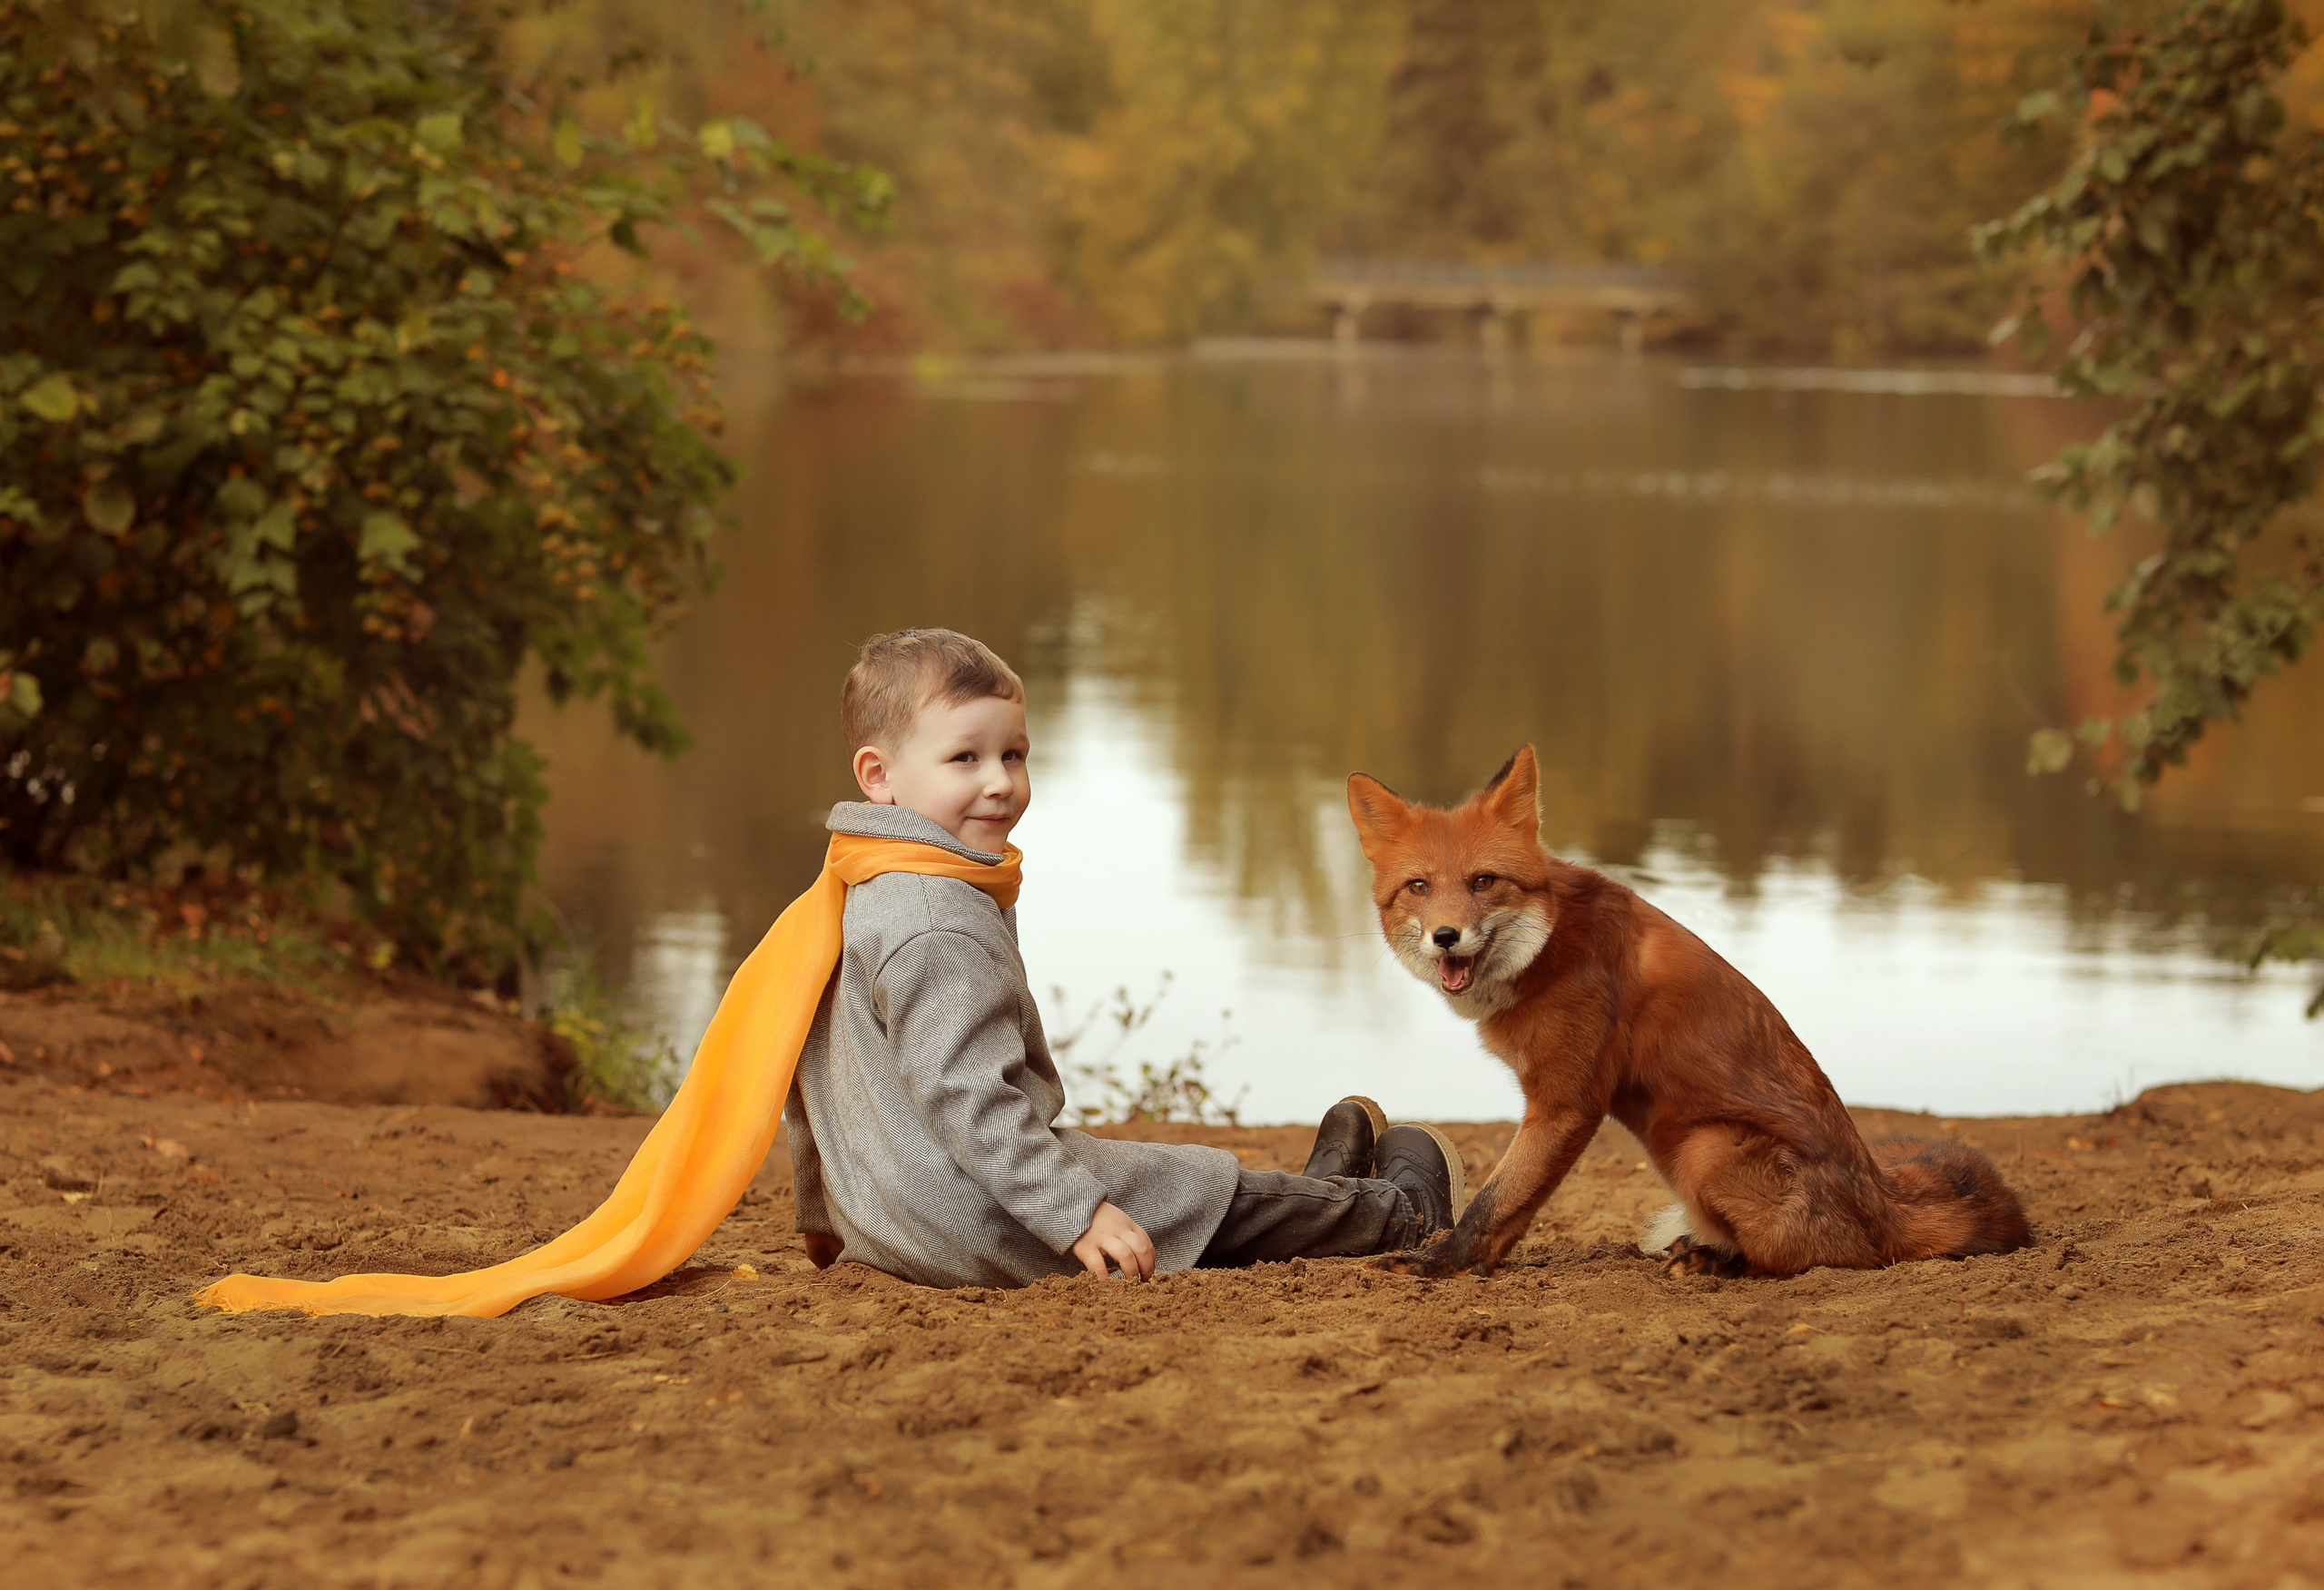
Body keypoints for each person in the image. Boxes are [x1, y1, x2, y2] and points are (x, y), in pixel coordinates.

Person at [784, 627, 1465, 1288]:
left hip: (890, 1215)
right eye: (966, 759)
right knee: (1180, 1185)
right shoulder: (935, 924)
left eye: (1014, 755)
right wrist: (1077, 1215)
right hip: (974, 1224)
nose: (1000, 782)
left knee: (1163, 1182)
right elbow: (973, 1104)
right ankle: (1401, 1215)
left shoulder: (861, 881)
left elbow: (804, 1070)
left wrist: (826, 1217)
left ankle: (1319, 1193)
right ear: (879, 775)